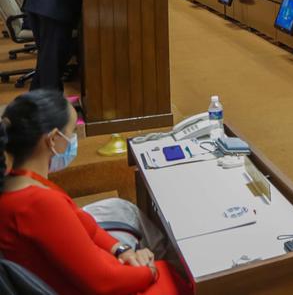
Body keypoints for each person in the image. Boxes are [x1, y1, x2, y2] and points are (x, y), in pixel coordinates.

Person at [0, 90, 186, 295]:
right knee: (174, 275)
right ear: (52, 140)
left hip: (87, 273)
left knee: (125, 215)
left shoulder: (16, 180)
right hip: (97, 284)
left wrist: (121, 250)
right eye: (71, 133)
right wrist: (149, 272)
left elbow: (85, 224)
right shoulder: (38, 204)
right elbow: (104, 282)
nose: (73, 139)